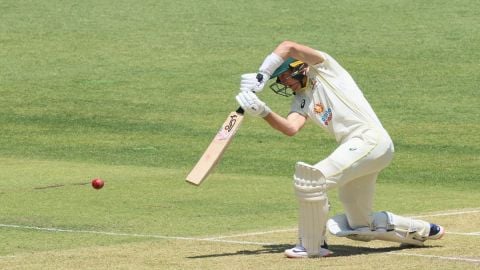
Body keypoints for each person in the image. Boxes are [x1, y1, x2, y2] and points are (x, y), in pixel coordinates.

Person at [235, 40, 445, 258]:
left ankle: (311, 246)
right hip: (361, 150)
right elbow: (290, 128)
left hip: (368, 140)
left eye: (285, 75)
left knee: (311, 181)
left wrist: (261, 74)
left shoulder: (324, 69)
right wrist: (262, 111)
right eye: (279, 79)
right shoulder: (301, 99)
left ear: (298, 65)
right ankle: (423, 230)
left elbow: (287, 46)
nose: (284, 82)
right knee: (359, 226)